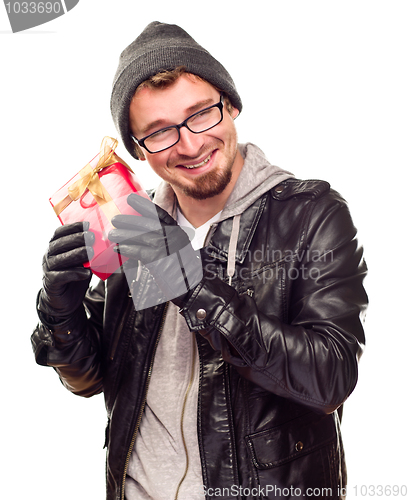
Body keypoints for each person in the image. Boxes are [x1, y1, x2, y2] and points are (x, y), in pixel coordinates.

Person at [31, 21, 368, 500]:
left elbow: (332, 376)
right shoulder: (134, 224)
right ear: (137, 150)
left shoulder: (310, 214)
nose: (189, 145)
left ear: (230, 106)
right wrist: (60, 311)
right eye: (160, 132)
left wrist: (195, 287)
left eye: (201, 114)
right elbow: (91, 381)